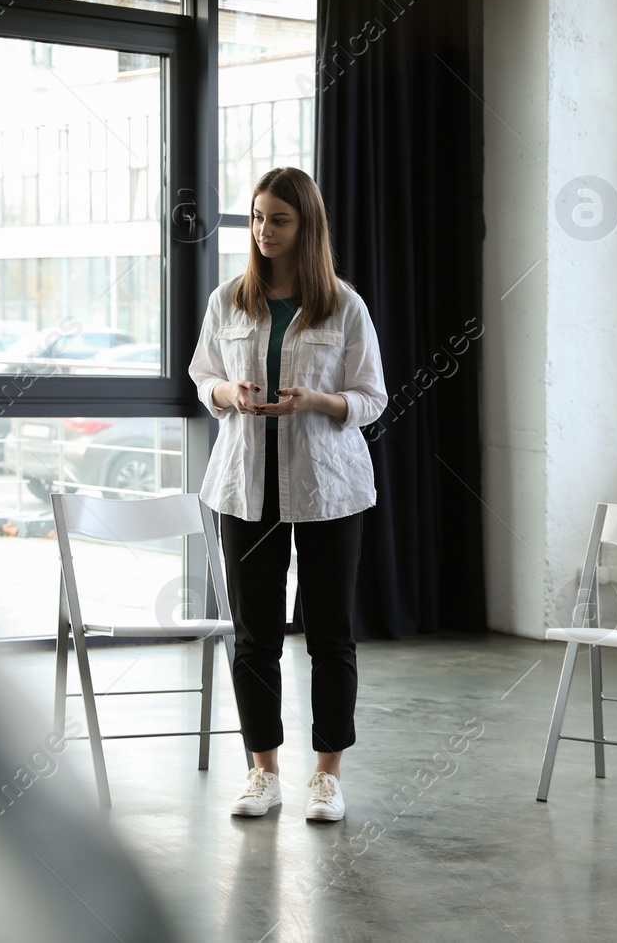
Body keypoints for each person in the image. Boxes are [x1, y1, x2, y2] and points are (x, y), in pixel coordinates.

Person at [188, 167, 386, 824]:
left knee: (329, 635)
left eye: (278, 219)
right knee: (255, 636)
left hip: (328, 490)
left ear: (307, 226)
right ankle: (262, 770)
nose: (263, 231)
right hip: (246, 488)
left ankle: (326, 775)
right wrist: (230, 394)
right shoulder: (229, 301)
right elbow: (204, 376)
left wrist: (318, 401)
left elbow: (371, 398)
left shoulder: (344, 306)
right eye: (255, 217)